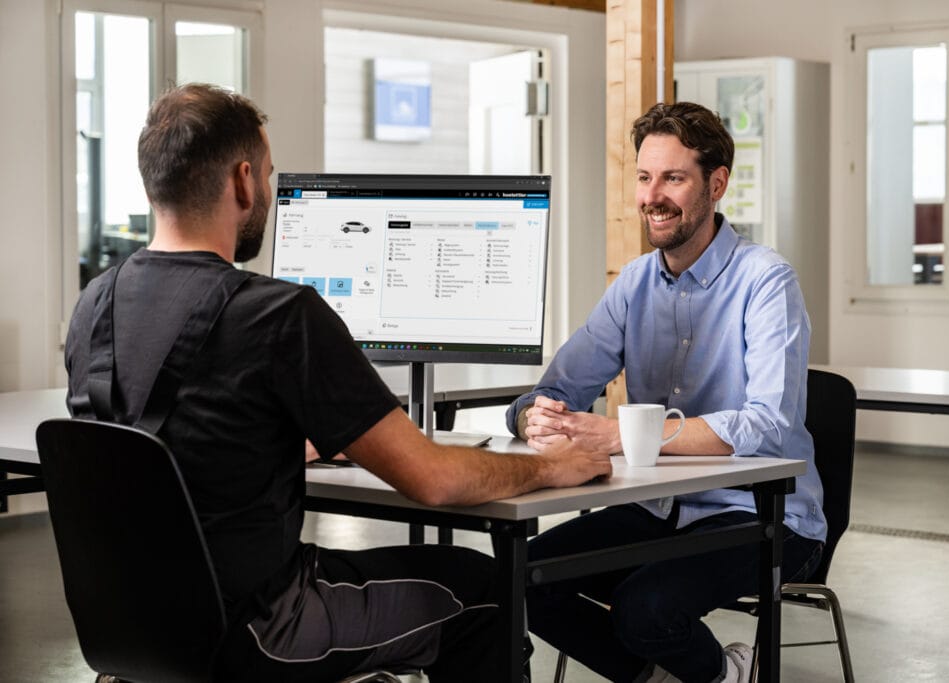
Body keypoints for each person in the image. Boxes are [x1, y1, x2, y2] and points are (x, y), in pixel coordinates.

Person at [63, 83, 611, 683]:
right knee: (485, 589)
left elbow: (176, 448)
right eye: (268, 176)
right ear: (244, 181)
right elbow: (433, 478)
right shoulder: (277, 314)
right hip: (259, 630)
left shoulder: (96, 304)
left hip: (132, 631)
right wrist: (551, 467)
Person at [506, 101, 826, 683]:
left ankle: (724, 677)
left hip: (759, 513)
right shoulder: (633, 284)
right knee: (520, 577)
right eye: (645, 177)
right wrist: (534, 415)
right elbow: (558, 386)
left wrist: (623, 436)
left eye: (674, 178)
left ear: (716, 184)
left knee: (645, 609)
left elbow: (768, 425)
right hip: (657, 508)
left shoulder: (766, 280)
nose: (653, 195)